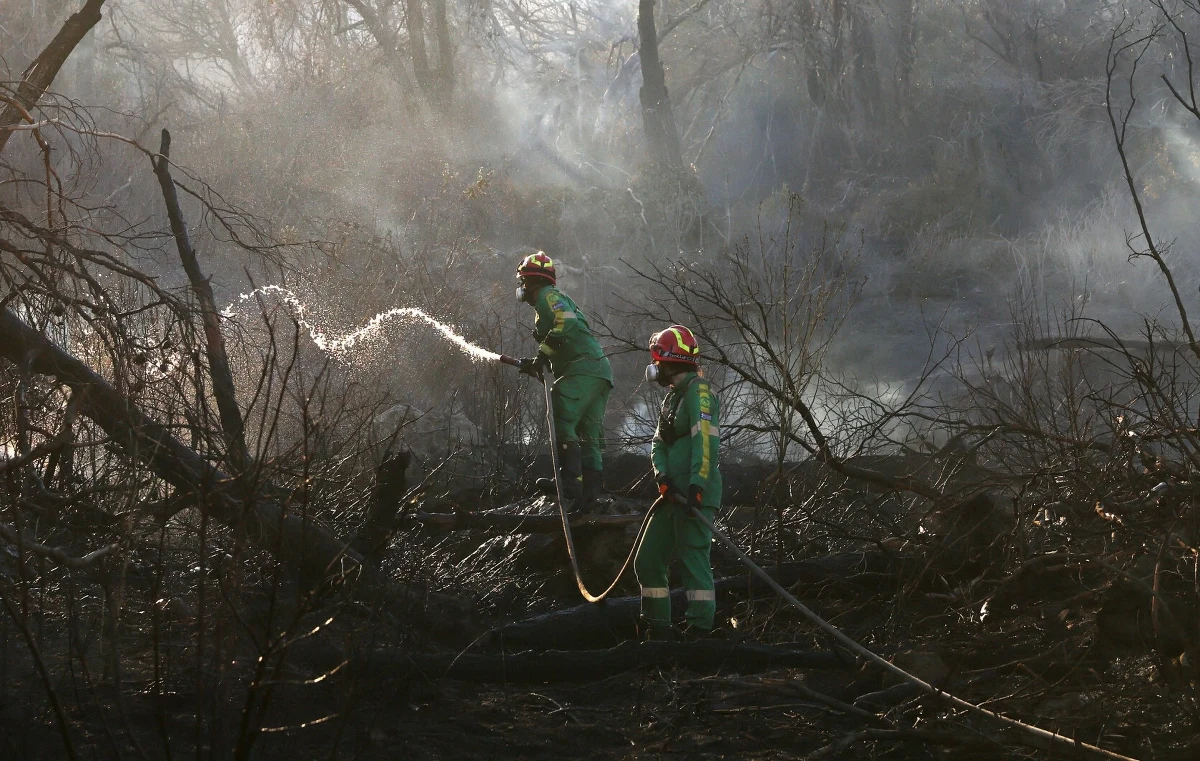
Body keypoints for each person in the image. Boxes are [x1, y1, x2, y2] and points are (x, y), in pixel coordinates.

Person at [634, 324, 723, 638]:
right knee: (647, 560)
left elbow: (705, 442)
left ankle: (700, 631)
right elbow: (658, 443)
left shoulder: (699, 393)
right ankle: (657, 627)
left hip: (695, 494)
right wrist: (663, 478)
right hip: (672, 494)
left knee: (692, 559)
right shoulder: (671, 400)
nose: (655, 367)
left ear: (670, 362)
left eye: (658, 360)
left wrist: (697, 485)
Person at [515, 251, 613, 512]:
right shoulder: (550, 300)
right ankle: (590, 496)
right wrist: (537, 362)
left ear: (529, 281)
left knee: (561, 415)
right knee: (589, 434)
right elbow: (563, 340)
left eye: (522, 282)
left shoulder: (548, 296)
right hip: (597, 370)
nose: (521, 288)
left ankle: (570, 483)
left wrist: (542, 355)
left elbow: (566, 324)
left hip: (582, 369)